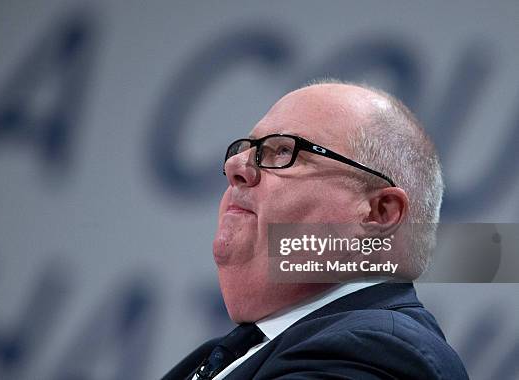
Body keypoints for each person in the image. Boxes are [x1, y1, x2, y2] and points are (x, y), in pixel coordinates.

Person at [162, 80, 468, 379]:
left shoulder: (374, 354)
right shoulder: (224, 354)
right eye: (246, 149)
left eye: (283, 151)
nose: (236, 166)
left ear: (379, 213)